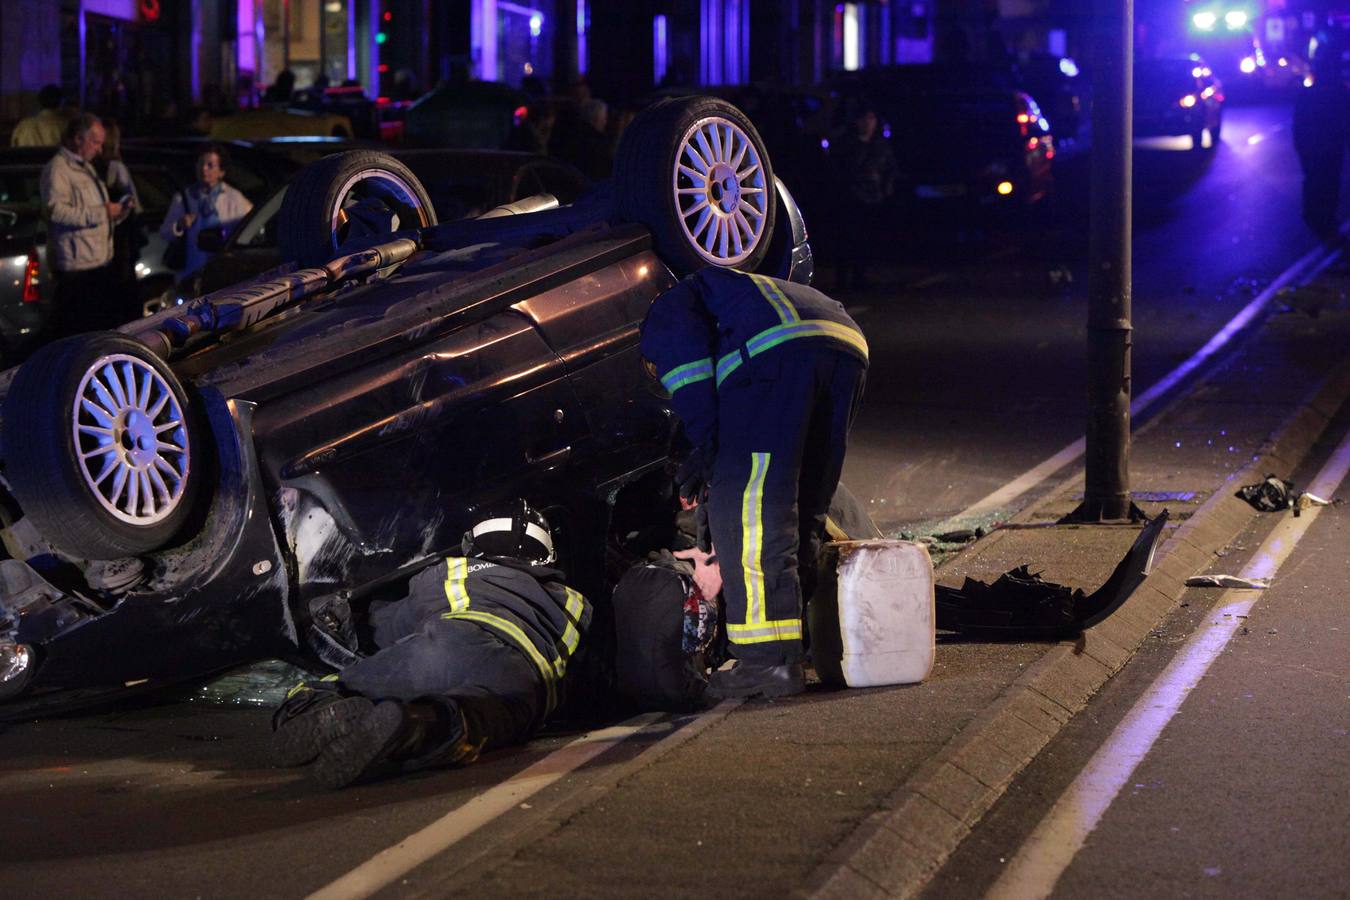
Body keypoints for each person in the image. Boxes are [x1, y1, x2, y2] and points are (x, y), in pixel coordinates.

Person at [639, 268, 867, 700]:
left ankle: (766, 664)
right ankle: (797, 649)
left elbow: (688, 373)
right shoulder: (734, 293)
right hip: (847, 347)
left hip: (775, 355)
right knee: (804, 505)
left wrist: (707, 446)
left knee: (749, 512)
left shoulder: (662, 314)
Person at [271, 501, 591, 788]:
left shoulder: (451, 571)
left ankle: (318, 706)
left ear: (472, 544)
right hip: (523, 677)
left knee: (334, 685)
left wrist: (347, 621)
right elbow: (584, 668)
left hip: (447, 646)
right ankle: (415, 726)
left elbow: (389, 629)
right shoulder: (574, 603)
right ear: (545, 555)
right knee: (470, 721)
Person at [40, 113, 128, 335]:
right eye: (96, 142)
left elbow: (90, 210)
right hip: (78, 271)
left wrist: (115, 214)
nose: (99, 149)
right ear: (79, 139)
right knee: (80, 331)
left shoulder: (85, 166)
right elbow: (57, 212)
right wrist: (102, 212)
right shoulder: (58, 169)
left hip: (97, 265)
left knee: (97, 329)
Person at [828, 102, 897, 289]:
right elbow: (837, 169)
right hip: (849, 198)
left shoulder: (880, 146)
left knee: (865, 240)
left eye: (871, 119)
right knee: (846, 239)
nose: (868, 123)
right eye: (864, 118)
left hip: (871, 199)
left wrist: (884, 189)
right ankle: (843, 278)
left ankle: (860, 277)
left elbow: (889, 169)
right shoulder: (846, 144)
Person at [158, 143, 252, 278]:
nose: (204, 168)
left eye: (210, 165)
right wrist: (179, 225)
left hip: (223, 270)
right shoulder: (184, 198)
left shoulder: (235, 198)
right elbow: (165, 233)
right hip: (191, 271)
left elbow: (250, 228)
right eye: (201, 163)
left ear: (221, 171)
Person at [1292, 49, 1350, 241]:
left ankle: (1315, 215)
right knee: (1327, 182)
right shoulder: (1339, 93)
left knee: (1315, 180)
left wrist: (1301, 146)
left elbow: (1298, 124)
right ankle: (1324, 220)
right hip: (1329, 145)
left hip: (1317, 145)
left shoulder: (1307, 95)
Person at [94, 118, 143, 323]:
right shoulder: (115, 167)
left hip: (109, 236)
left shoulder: (100, 168)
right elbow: (134, 204)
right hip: (120, 237)